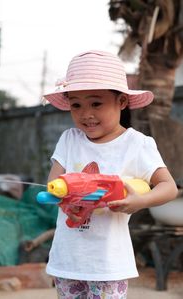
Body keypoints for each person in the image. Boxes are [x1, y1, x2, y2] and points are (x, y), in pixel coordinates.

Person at [42, 50, 178, 299]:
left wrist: (140, 201)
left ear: (122, 102)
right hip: (67, 260)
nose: (86, 114)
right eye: (76, 105)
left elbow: (168, 187)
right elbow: (53, 184)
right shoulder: (69, 140)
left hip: (108, 264)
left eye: (96, 103)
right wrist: (64, 198)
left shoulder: (136, 144)